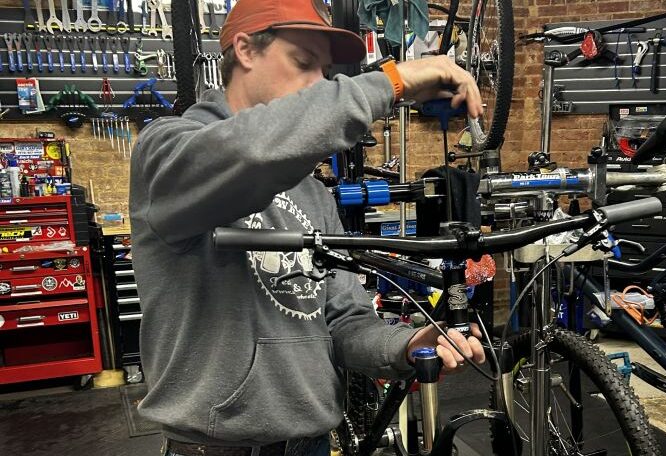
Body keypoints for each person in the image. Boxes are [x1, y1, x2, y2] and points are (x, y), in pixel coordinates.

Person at [129, 0, 487, 455]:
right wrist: (392, 81)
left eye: (325, 71)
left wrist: (408, 344)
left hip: (312, 443)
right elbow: (252, 151)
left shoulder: (314, 194)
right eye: (303, 63)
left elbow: (343, 320)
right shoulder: (166, 153)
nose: (318, 83)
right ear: (244, 50)